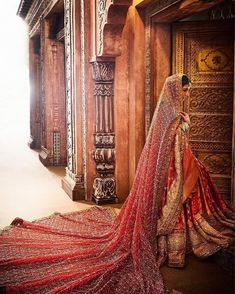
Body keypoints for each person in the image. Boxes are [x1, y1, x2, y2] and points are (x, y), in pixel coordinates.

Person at [0, 74, 234, 293]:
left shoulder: (171, 115)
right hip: (172, 175)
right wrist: (184, 130)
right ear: (174, 91)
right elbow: (173, 150)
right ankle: (172, 245)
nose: (186, 95)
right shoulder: (172, 120)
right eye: (183, 91)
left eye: (187, 91)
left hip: (175, 173)